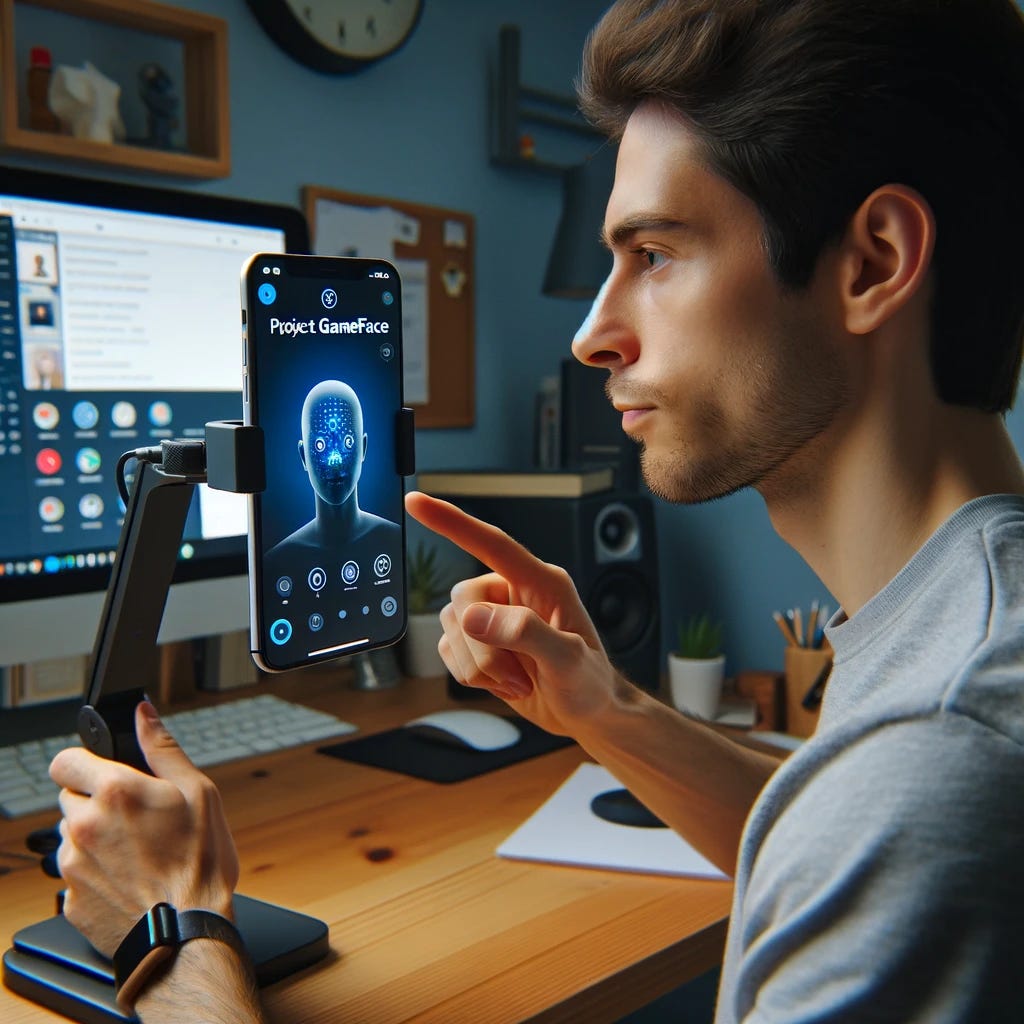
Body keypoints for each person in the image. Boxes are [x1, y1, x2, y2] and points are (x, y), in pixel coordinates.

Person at [49, 0, 1024, 1020]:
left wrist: (178, 930)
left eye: (654, 254)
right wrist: (603, 712)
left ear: (871, 260)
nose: (592, 334)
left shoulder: (941, 751)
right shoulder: (953, 637)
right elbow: (835, 852)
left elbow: (894, 822)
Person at [266, 378, 399, 567]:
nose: (334, 460)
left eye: (347, 442)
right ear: (304, 456)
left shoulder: (393, 536)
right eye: (321, 445)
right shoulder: (279, 559)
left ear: (363, 448)